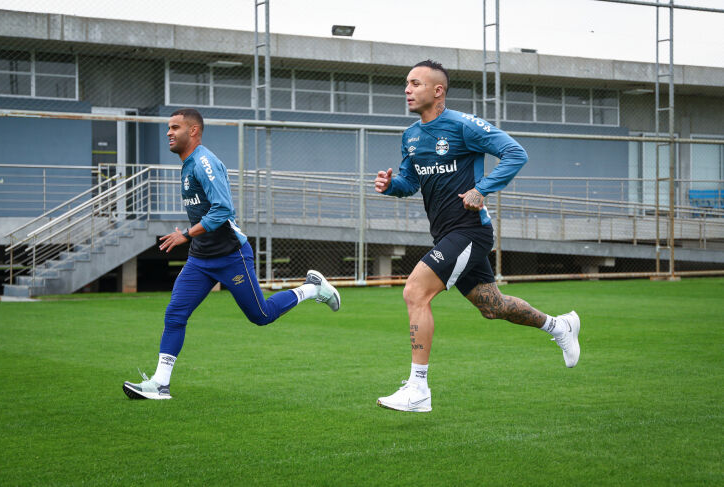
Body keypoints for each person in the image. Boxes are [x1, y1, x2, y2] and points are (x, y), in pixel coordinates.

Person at [374, 60, 580, 413]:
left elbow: (516, 153)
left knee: (415, 292)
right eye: (406, 84)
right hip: (446, 234)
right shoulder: (410, 136)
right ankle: (559, 326)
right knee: (492, 306)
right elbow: (410, 182)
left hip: (470, 230)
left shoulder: (462, 125)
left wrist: (482, 189)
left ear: (438, 91)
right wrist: (392, 185)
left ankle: (418, 390)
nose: (407, 90)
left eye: (415, 83)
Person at [123, 108, 340, 400]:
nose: (169, 133)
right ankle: (161, 384)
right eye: (168, 128)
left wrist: (185, 234)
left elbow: (223, 209)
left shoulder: (204, 162)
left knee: (261, 315)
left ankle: (311, 289)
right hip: (200, 260)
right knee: (175, 314)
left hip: (230, 256)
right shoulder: (187, 164)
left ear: (194, 131)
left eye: (175, 127)